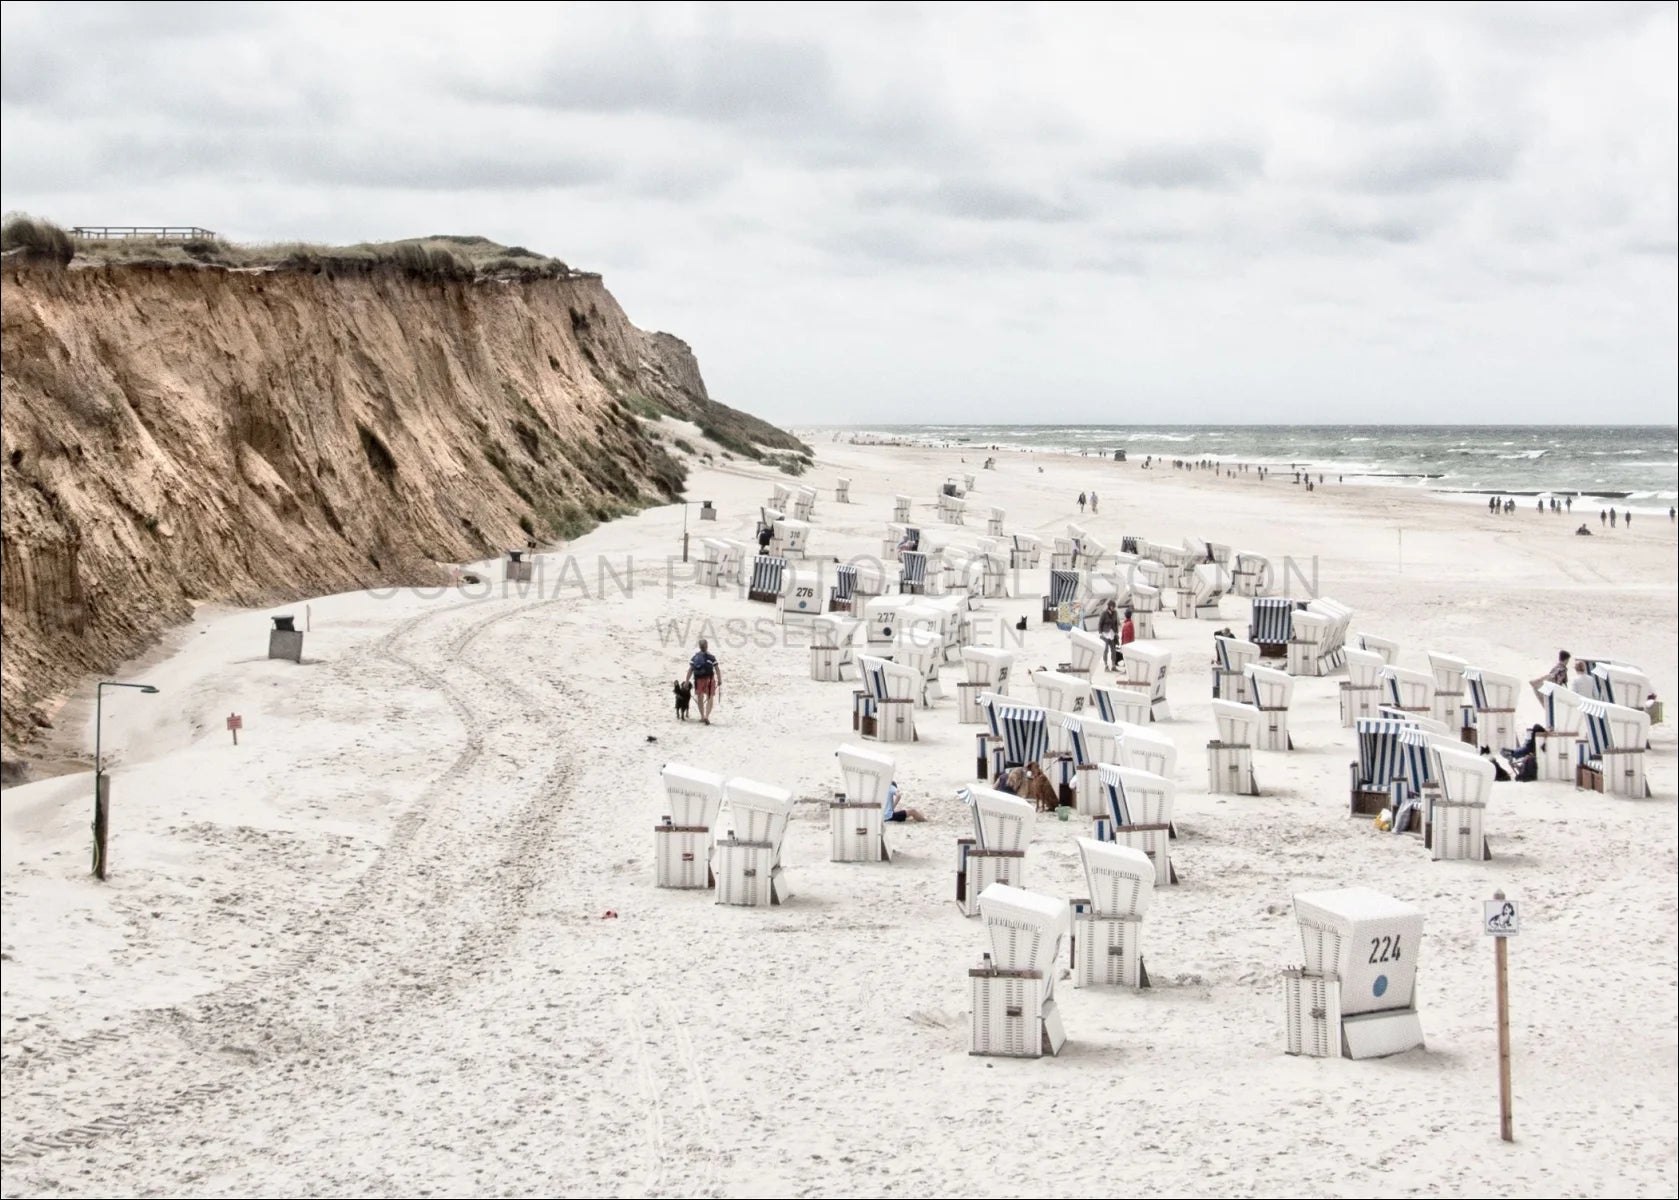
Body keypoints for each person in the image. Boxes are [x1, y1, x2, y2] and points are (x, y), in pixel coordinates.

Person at [685, 638, 722, 725]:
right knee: (710, 698)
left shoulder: (695, 657)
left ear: (699, 646)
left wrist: (686, 681)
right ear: (707, 646)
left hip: (698, 680)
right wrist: (719, 679)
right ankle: (706, 716)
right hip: (710, 679)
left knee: (700, 698)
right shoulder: (711, 657)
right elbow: (717, 669)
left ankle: (702, 716)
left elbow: (690, 670)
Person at [1098, 600, 1121, 670]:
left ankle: (1113, 666)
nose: (1113, 608)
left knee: (1113, 650)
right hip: (1105, 633)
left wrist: (1117, 632)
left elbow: (1116, 623)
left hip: (1112, 634)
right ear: (1109, 606)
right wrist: (1100, 632)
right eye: (1112, 606)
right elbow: (1100, 623)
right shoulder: (1104, 613)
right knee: (1106, 650)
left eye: (1114, 607)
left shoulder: (1115, 613)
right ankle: (1106, 665)